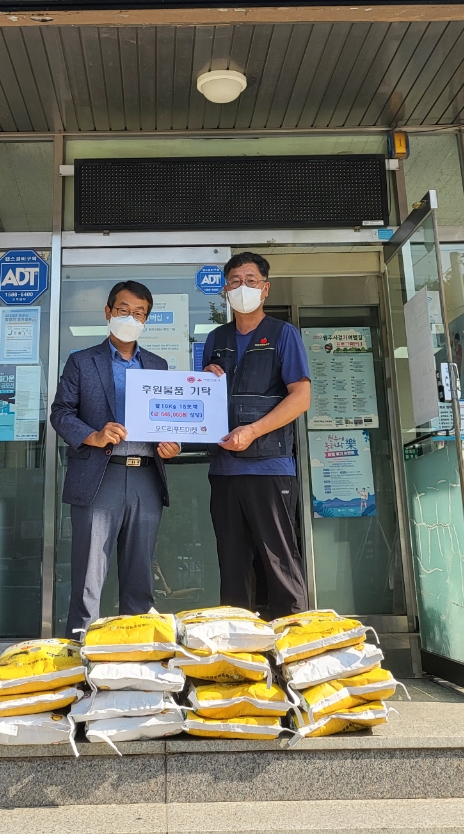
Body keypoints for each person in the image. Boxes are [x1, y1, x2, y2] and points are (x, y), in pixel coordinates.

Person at [50, 280, 181, 639]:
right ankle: (79, 649)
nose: (130, 318)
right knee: (89, 575)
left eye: (139, 313)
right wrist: (92, 435)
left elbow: (169, 417)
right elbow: (61, 412)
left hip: (145, 477)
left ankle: (136, 648)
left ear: (146, 320)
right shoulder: (82, 361)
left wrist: (173, 443)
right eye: (123, 310)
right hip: (99, 475)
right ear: (108, 312)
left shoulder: (157, 365)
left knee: (140, 574)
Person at [202, 251, 312, 620]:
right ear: (225, 290)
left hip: (270, 467)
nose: (242, 288)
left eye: (251, 281)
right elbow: (202, 402)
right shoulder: (216, 338)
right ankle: (237, 644)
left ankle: (295, 641)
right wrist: (205, 379)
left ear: (265, 289)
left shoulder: (284, 334)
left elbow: (301, 397)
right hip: (224, 471)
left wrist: (253, 430)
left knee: (279, 563)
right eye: (235, 281)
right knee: (232, 567)